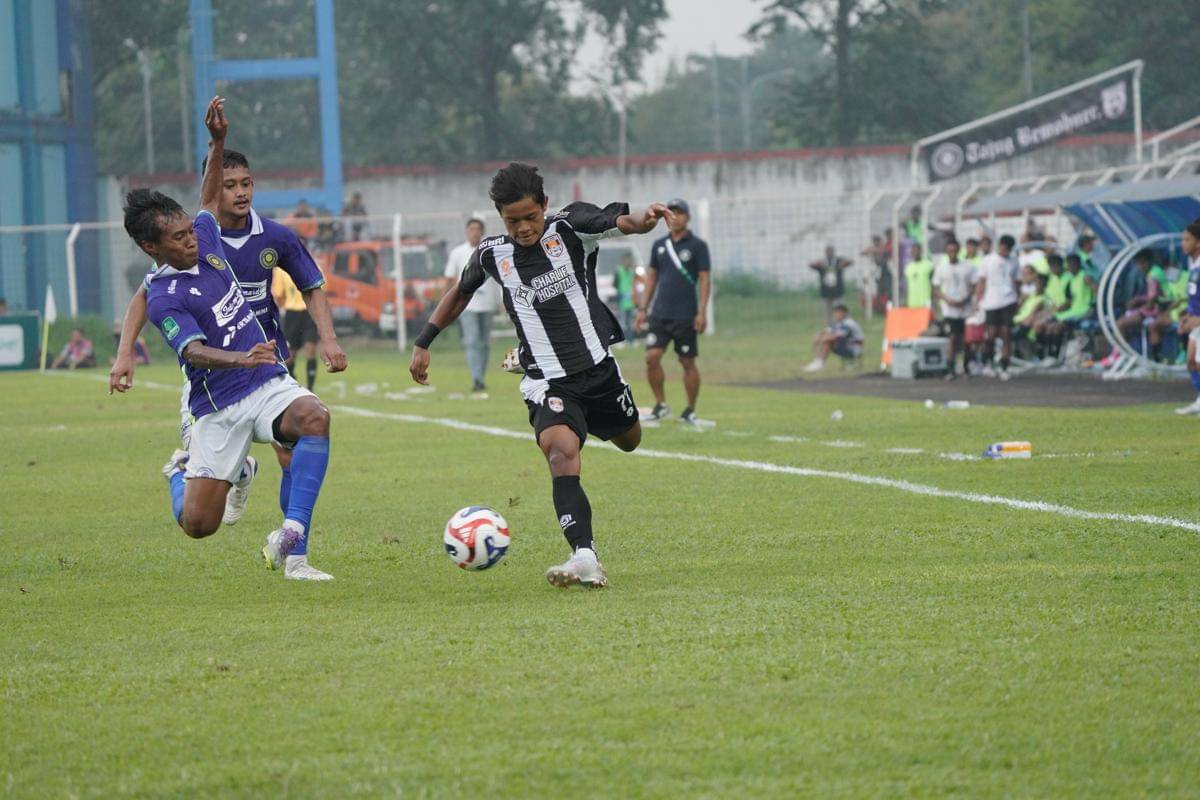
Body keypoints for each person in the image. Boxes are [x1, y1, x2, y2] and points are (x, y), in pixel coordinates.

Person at [409, 162, 673, 588]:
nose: (524, 228)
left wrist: (644, 222)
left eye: (531, 217)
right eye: (513, 221)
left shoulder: (571, 228)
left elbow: (619, 220)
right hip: (548, 380)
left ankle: (591, 415)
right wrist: (424, 340)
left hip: (598, 370)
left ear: (545, 206)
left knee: (630, 440)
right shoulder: (493, 254)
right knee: (560, 451)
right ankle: (585, 555)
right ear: (499, 216)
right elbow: (460, 292)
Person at [123, 97, 336, 580]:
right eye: (177, 239)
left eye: (189, 230)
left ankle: (293, 543)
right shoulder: (164, 296)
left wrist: (218, 141)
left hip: (265, 381)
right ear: (151, 249)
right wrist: (241, 359)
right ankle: (182, 470)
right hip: (217, 405)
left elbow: (204, 198)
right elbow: (193, 351)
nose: (192, 239)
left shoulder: (206, 232)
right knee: (199, 525)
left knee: (315, 418)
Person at [636, 198, 712, 425]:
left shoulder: (697, 246)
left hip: (686, 314)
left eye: (680, 213)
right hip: (660, 313)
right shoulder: (659, 245)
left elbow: (705, 279)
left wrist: (702, 312)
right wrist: (643, 308)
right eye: (671, 213)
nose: (675, 217)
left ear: (688, 218)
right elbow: (651, 277)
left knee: (687, 361)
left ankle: (690, 410)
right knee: (651, 357)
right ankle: (661, 404)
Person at [443, 217, 499, 393]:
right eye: (471, 229)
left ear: (482, 231)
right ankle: (477, 378)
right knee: (472, 340)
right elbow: (450, 278)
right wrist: (448, 304)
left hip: (487, 303)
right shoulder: (457, 253)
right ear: (467, 231)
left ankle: (480, 376)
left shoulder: (489, 251)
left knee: (484, 343)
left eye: (478, 229)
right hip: (467, 305)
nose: (475, 232)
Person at [977, 233, 1020, 380]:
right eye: (1004, 248)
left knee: (1007, 333)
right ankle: (988, 362)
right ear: (1000, 245)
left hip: (1008, 300)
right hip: (992, 301)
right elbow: (981, 281)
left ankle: (1004, 365)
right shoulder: (988, 260)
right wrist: (979, 300)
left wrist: (1018, 298)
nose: (1006, 251)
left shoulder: (1014, 261)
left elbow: (1016, 280)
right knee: (991, 334)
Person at [932, 239, 977, 379]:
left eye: (954, 250)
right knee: (952, 337)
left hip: (965, 309)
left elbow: (975, 284)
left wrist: (966, 298)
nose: (952, 253)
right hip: (949, 310)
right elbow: (935, 287)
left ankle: (966, 366)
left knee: (966, 339)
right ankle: (950, 368)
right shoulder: (941, 267)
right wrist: (946, 300)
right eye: (949, 251)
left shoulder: (968, 267)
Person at [273, 269, 320, 390]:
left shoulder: (314, 266)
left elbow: (321, 290)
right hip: (292, 314)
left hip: (309, 313)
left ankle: (310, 387)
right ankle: (293, 385)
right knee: (290, 354)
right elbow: (278, 295)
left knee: (310, 350)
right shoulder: (281, 271)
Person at [1175, 220, 1200, 415]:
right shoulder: (1192, 264)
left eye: (1187, 239)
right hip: (1195, 319)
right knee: (1191, 362)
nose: (1183, 243)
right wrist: (1187, 316)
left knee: (1195, 362)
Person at [804, 303, 863, 372]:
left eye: (839, 312)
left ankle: (819, 363)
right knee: (826, 340)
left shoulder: (849, 323)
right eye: (835, 312)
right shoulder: (839, 323)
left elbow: (837, 336)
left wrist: (821, 339)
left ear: (845, 313)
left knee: (828, 341)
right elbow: (826, 331)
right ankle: (818, 361)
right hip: (846, 346)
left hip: (854, 348)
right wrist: (818, 335)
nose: (836, 314)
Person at [810, 244, 852, 322]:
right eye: (827, 252)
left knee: (840, 309)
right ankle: (829, 326)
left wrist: (842, 264)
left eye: (830, 251)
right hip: (826, 291)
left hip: (837, 290)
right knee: (827, 311)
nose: (829, 253)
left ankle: (843, 323)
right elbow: (811, 265)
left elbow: (850, 262)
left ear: (833, 252)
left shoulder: (838, 261)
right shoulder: (822, 262)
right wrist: (818, 264)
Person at [613, 252, 637, 341]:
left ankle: (630, 341)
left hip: (631, 301)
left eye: (629, 261)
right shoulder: (619, 271)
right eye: (626, 261)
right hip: (622, 301)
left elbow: (634, 284)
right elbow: (615, 284)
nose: (628, 262)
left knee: (630, 322)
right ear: (623, 261)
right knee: (622, 322)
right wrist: (621, 293)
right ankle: (622, 340)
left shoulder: (632, 272)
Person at [904, 243, 935, 308]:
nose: (915, 253)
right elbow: (907, 286)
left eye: (916, 251)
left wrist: (933, 300)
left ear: (920, 251)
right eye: (913, 251)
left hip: (925, 303)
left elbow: (934, 285)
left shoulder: (929, 265)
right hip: (912, 303)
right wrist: (905, 301)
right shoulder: (908, 268)